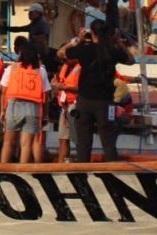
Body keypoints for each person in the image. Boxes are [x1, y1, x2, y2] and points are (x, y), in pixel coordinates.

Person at [57, 19, 134, 162]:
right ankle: (112, 171)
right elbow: (131, 60)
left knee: (84, 141)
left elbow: (61, 53)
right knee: (108, 141)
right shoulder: (112, 50)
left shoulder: (84, 48)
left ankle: (83, 172)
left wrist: (77, 40)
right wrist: (118, 42)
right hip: (105, 103)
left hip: (84, 101)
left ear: (91, 32)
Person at [0, 43, 51, 163]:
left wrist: (3, 110)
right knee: (26, 145)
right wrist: (46, 114)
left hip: (14, 106)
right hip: (33, 107)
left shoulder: (11, 68)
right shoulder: (40, 71)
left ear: (21, 54)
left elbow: (3, 91)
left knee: (7, 143)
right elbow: (46, 96)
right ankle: (23, 172)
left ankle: (2, 170)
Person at [53, 56, 82, 162]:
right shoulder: (65, 67)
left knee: (78, 139)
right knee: (63, 139)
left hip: (76, 106)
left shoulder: (82, 68)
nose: (64, 61)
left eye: (66, 58)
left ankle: (82, 162)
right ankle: (60, 167)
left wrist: (65, 88)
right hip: (64, 106)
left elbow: (84, 88)